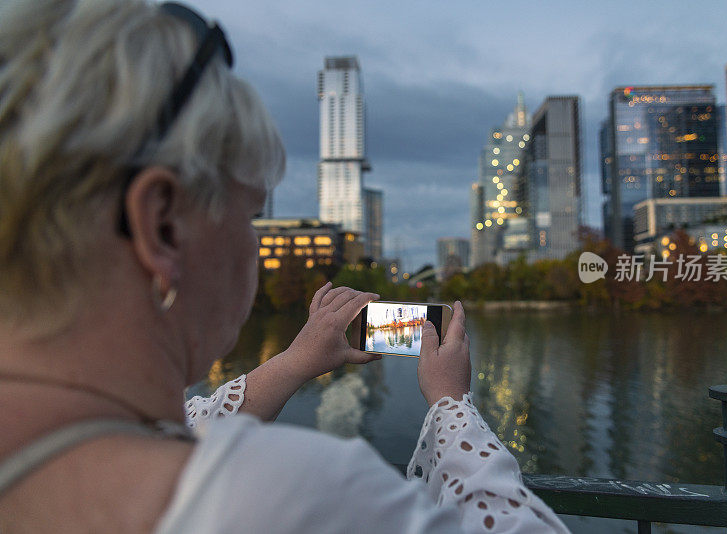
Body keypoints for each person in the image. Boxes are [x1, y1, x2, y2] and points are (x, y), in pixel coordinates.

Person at [0, 0, 570, 532]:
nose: (254, 243)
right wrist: (451, 404)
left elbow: (193, 420)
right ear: (163, 226)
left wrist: (297, 361)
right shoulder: (294, 496)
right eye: (251, 213)